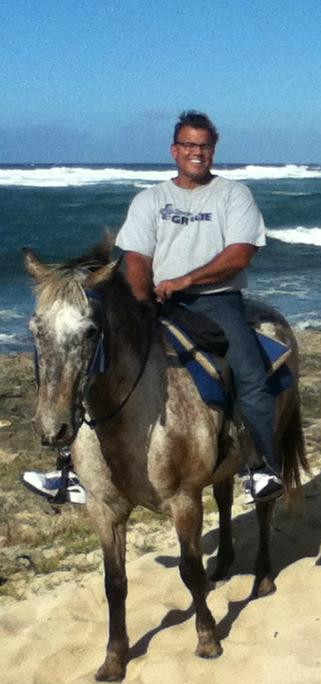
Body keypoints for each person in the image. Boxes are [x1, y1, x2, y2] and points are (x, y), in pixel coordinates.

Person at [22, 111, 283, 505]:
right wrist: (142, 298)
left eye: (205, 146)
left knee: (250, 374)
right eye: (189, 145)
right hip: (157, 300)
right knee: (87, 361)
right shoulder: (151, 199)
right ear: (174, 150)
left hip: (217, 302)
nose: (197, 153)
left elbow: (240, 254)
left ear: (214, 149)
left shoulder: (233, 195)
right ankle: (69, 469)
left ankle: (262, 467)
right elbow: (137, 257)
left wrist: (186, 280)